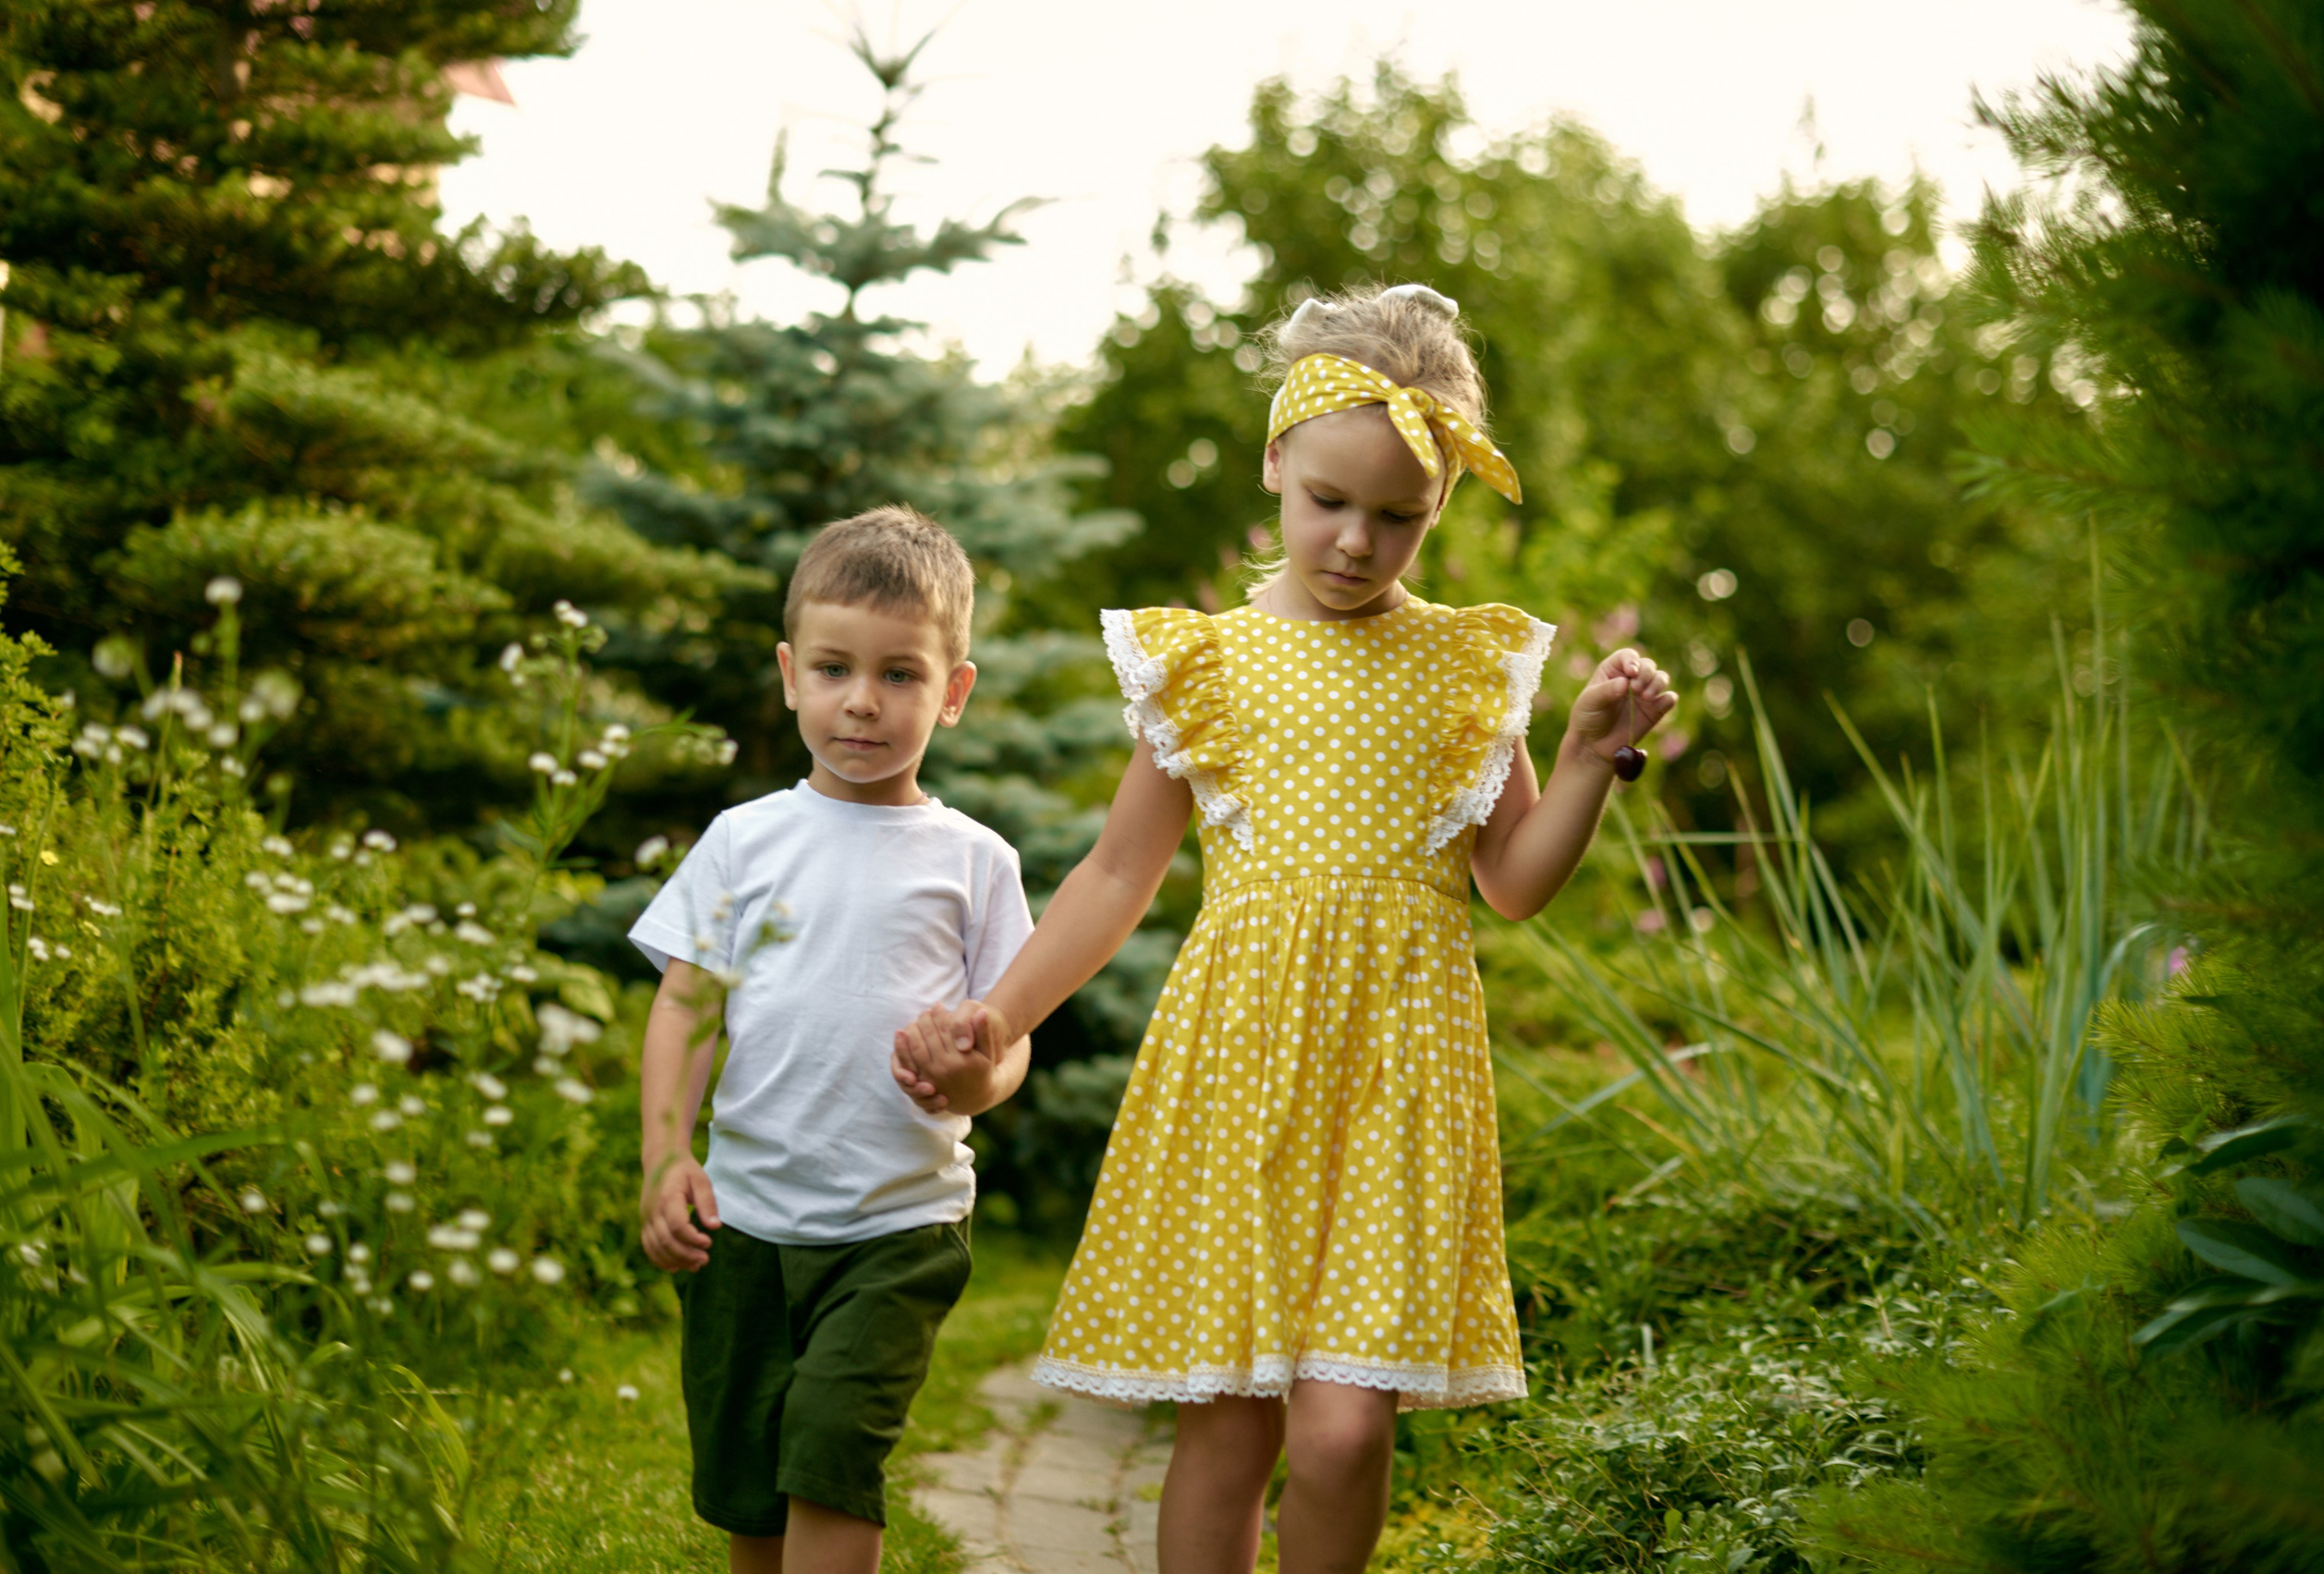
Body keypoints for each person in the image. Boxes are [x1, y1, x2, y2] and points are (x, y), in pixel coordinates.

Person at [891, 281, 1678, 1573]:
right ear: (1274, 464)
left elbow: (1514, 881)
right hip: (1241, 1067)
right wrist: (1000, 1011)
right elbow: (1116, 873)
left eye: (1397, 516)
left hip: (1400, 1075)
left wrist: (1590, 756)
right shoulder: (1206, 663)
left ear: (1440, 506)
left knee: (1344, 1432)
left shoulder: (1466, 665)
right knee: (1228, 1425)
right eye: (1328, 501)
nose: (1357, 541)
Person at [632, 506, 1034, 1574]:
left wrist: (975, 1076)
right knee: (751, 1485)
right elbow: (685, 1004)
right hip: (744, 1223)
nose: (862, 699)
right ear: (789, 674)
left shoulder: (975, 860)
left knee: (828, 1454)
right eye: (833, 668)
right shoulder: (744, 840)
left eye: (900, 674)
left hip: (896, 1225)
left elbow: (1010, 1039)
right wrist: (666, 1152)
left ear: (953, 691)